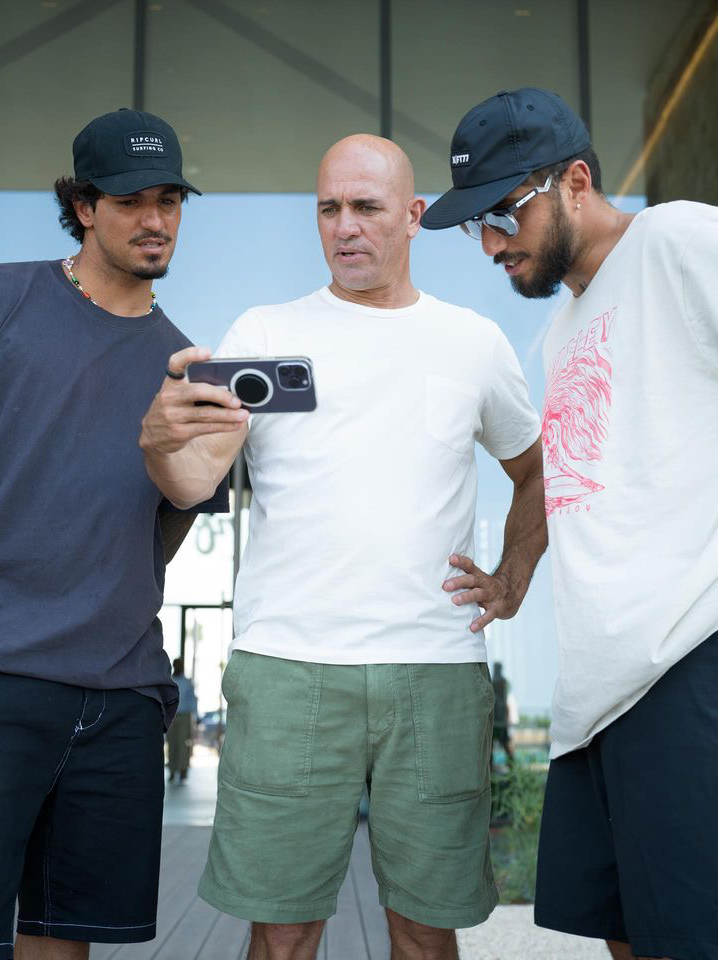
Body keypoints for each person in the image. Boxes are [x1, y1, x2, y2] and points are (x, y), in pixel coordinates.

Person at [140, 134, 547, 960]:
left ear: (413, 215)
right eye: (328, 208)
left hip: (434, 673)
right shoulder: (264, 331)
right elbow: (191, 486)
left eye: (365, 207)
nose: (344, 227)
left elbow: (536, 469)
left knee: (425, 933)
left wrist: (513, 578)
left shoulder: (472, 343)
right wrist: (159, 439)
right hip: (288, 668)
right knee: (283, 931)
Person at [424, 87, 718, 960]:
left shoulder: (677, 240)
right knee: (626, 940)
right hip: (599, 696)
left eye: (503, 214)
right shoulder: (561, 331)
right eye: (474, 225)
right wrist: (516, 574)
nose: (488, 245)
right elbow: (567, 474)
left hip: (687, 659)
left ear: (577, 181)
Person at [0, 108, 227, 960]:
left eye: (169, 199)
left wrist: (190, 460)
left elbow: (159, 538)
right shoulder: (8, 298)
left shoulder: (187, 373)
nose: (156, 219)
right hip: (5, 673)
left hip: (121, 693)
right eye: (132, 200)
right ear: (84, 206)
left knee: (64, 943)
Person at [167, 658, 198, 782]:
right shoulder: (169, 680)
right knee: (172, 743)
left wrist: (195, 717)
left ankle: (183, 769)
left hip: (184, 715)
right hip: (171, 716)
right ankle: (172, 770)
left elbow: (192, 700)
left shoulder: (187, 682)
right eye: (177, 665)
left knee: (183, 743)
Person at [490, 662, 514, 767]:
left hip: (498, 721)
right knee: (502, 746)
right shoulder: (502, 682)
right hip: (498, 721)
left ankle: (509, 766)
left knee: (494, 747)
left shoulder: (495, 681)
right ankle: (510, 766)